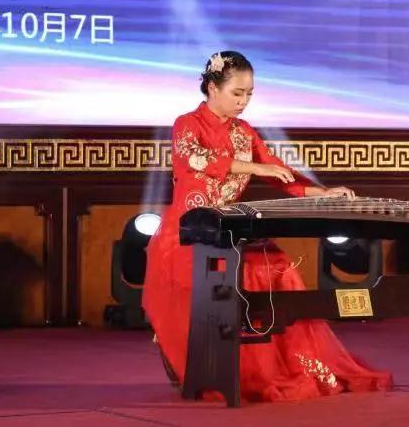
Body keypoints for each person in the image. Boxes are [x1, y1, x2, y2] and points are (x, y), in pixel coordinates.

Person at [142, 50, 392, 402]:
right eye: (236, 93)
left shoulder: (244, 132)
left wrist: (321, 192)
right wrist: (255, 168)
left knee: (278, 269)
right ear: (212, 88)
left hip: (230, 228)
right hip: (189, 232)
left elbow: (277, 171)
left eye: (249, 94)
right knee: (222, 278)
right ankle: (212, 367)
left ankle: (272, 366)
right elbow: (195, 158)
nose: (243, 101)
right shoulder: (187, 123)